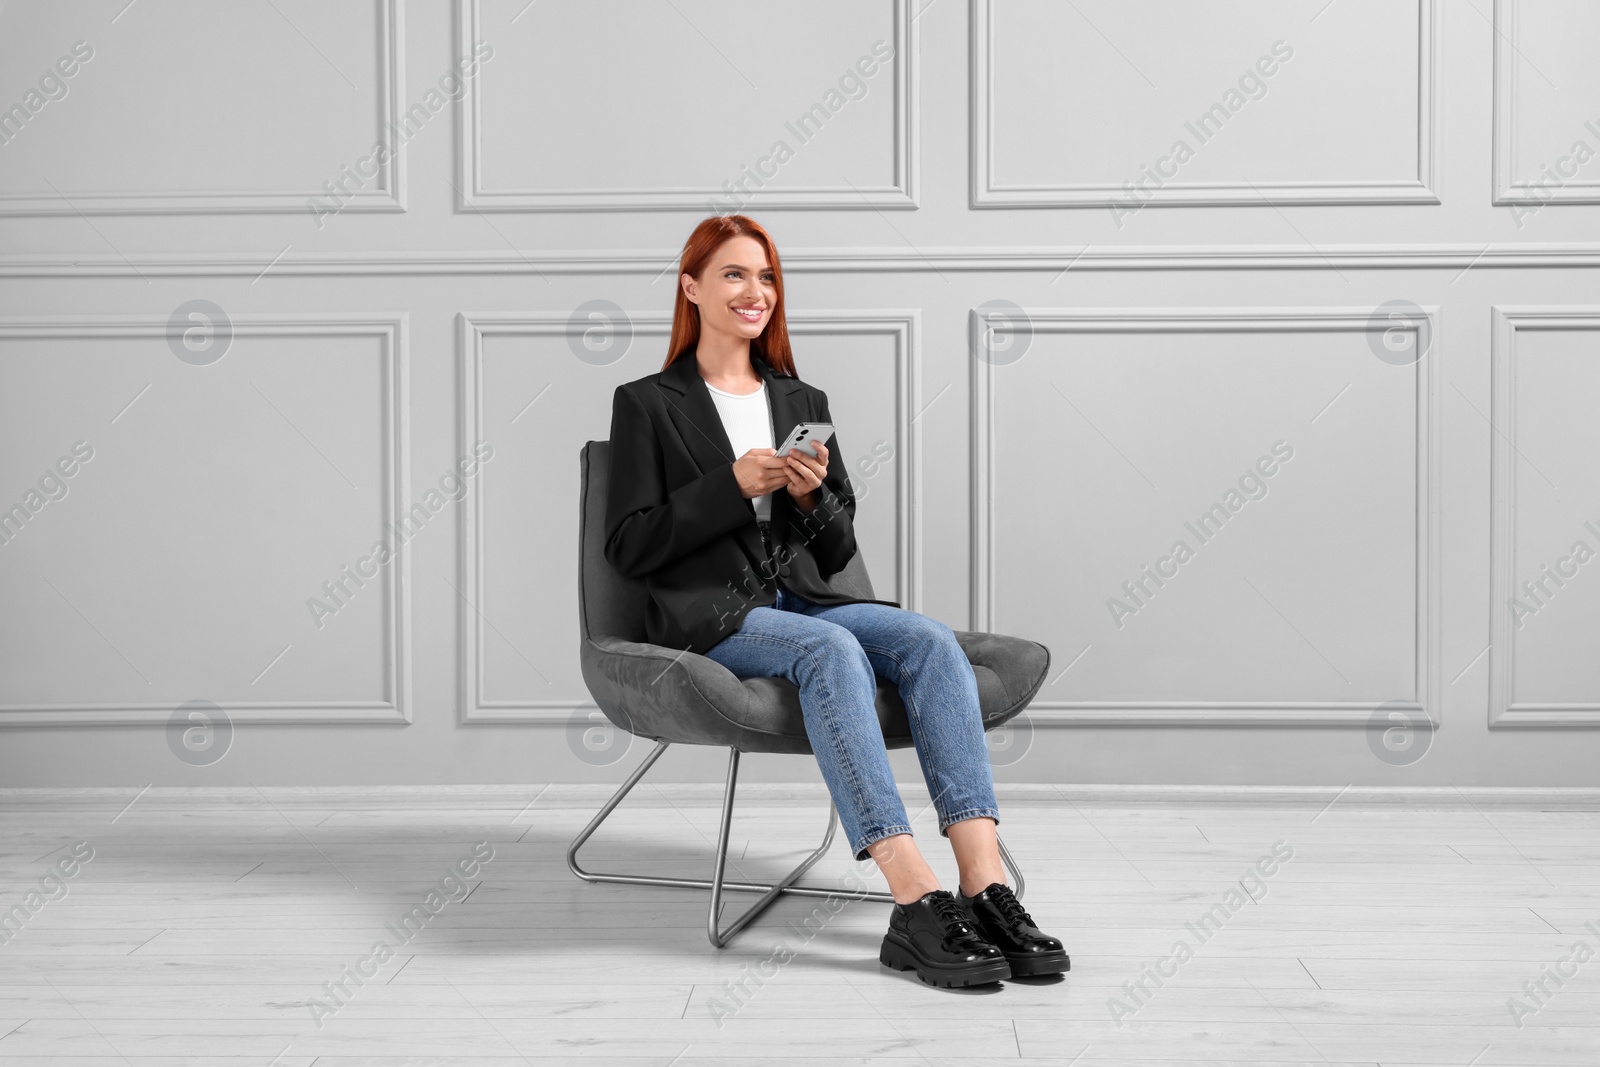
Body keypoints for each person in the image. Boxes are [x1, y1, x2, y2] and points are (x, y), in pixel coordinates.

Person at [603, 214, 1067, 988]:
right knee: (831, 650)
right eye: (735, 274)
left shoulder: (799, 396)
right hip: (716, 616)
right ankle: (914, 895)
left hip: (806, 594)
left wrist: (814, 496)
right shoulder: (647, 402)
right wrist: (732, 488)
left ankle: (985, 885)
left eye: (767, 276)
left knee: (925, 638)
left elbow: (838, 551)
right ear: (691, 287)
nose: (757, 291)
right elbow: (629, 544)